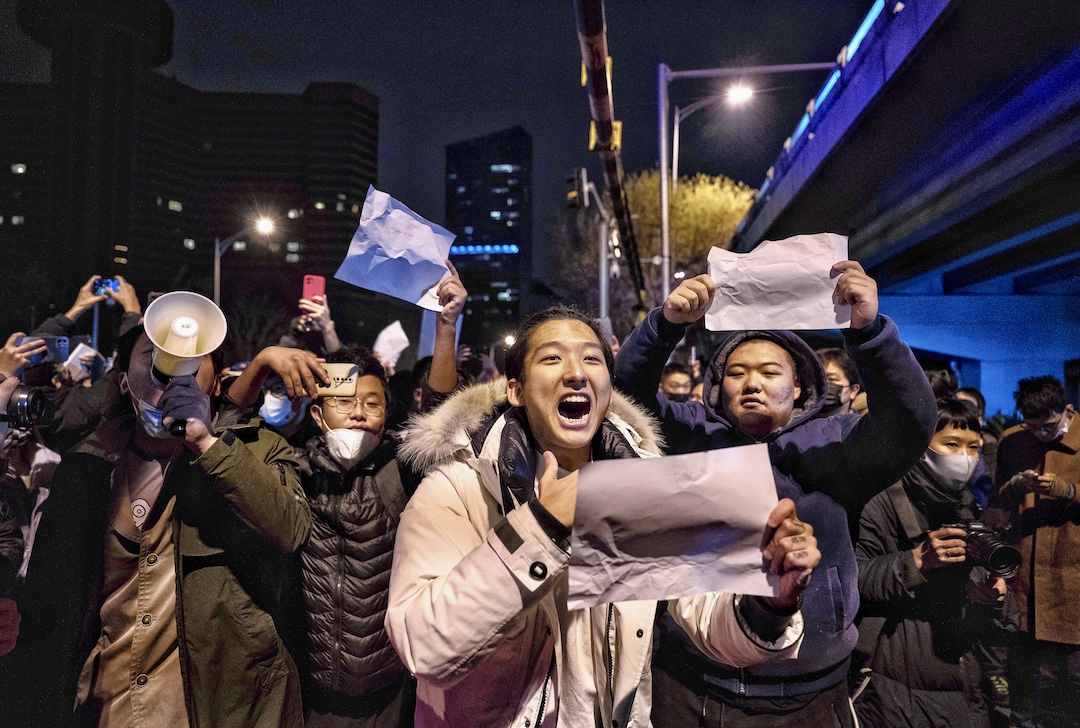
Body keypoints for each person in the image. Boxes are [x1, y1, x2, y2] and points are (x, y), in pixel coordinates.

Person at [387, 305, 819, 727]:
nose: (576, 372)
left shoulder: (645, 487)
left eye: (592, 358)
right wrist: (542, 526)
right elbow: (424, 649)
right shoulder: (456, 488)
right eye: (552, 358)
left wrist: (771, 601)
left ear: (608, 386)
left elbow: (706, 618)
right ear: (516, 390)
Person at [614, 261, 937, 726]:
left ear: (799, 384)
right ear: (717, 386)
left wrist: (869, 333)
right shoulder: (689, 433)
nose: (752, 384)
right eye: (737, 373)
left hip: (812, 692)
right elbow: (622, 404)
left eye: (769, 371)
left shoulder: (838, 442)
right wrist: (663, 327)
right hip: (695, 686)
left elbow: (910, 422)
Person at [11, 324, 312, 727]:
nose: (172, 368)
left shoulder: (257, 450)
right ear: (123, 381)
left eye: (192, 357)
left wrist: (206, 443)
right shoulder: (87, 466)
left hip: (213, 704)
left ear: (217, 384)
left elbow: (288, 530)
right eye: (153, 355)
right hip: (108, 703)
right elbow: (52, 601)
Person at [222, 266, 467, 726]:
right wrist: (260, 363)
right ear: (317, 413)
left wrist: (446, 325)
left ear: (387, 412)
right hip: (309, 693)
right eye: (344, 401)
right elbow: (224, 439)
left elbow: (441, 422)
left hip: (390, 695)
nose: (357, 413)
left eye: (372, 403)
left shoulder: (403, 469)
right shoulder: (292, 469)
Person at [853, 398, 1014, 728]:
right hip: (896, 686)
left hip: (964, 684)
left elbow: (986, 613)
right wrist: (914, 561)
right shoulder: (877, 501)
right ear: (919, 444)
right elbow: (850, 579)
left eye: (974, 448)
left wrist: (992, 597)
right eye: (952, 444)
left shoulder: (965, 507)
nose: (965, 458)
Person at [993, 375, 1080, 728]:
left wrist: (1070, 490)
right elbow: (996, 501)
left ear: (1068, 411)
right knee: (1028, 679)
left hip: (1072, 574)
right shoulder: (1013, 441)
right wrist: (1015, 485)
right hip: (1028, 574)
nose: (1040, 435)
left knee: (1072, 678)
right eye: (1032, 428)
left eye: (1048, 427)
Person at [817, 347, 861, 416]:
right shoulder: (796, 423)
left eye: (831, 379)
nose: (823, 384)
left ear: (853, 391)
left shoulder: (863, 426)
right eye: (817, 378)